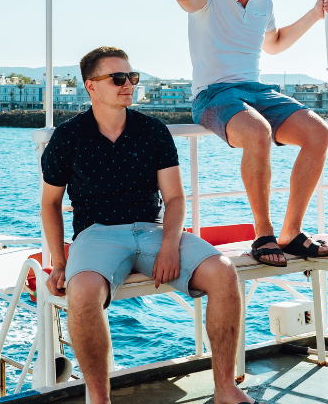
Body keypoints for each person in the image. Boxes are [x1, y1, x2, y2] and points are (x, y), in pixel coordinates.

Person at [41, 46, 252, 404]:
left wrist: (170, 245)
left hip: (153, 231)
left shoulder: (152, 131)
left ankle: (225, 389)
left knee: (223, 272)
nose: (129, 84)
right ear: (91, 86)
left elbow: (174, 199)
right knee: (82, 293)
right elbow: (50, 203)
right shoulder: (68, 137)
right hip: (96, 235)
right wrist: (59, 263)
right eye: (118, 78)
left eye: (132, 77)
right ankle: (99, 398)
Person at [172, 0, 328, 267]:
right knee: (258, 132)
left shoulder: (264, 3)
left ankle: (291, 233)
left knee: (318, 134)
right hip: (213, 94)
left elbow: (274, 43)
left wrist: (314, 13)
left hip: (255, 90)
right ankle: (263, 234)